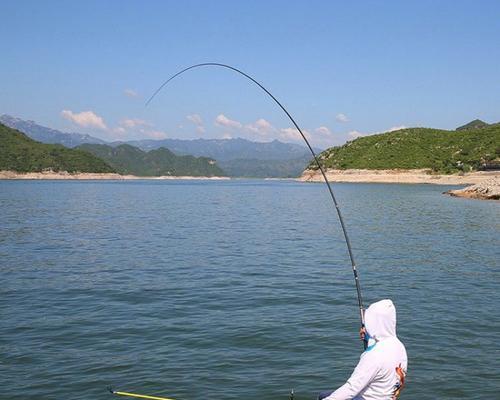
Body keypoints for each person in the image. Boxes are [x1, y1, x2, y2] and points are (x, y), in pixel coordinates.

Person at [318, 299, 408, 400]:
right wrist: (369, 338)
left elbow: (351, 389)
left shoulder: (374, 356)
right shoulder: (399, 347)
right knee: (324, 395)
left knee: (324, 397)